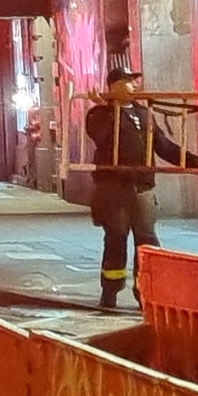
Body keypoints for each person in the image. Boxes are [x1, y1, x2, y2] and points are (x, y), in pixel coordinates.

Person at [83, 54, 165, 313]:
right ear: (113, 86)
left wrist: (194, 161)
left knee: (147, 240)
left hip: (142, 186)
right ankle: (110, 291)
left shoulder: (144, 113)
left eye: (134, 81)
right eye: (127, 81)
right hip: (114, 187)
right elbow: (101, 137)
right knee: (116, 238)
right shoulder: (99, 114)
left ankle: (146, 292)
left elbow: (162, 144)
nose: (133, 85)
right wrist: (110, 108)